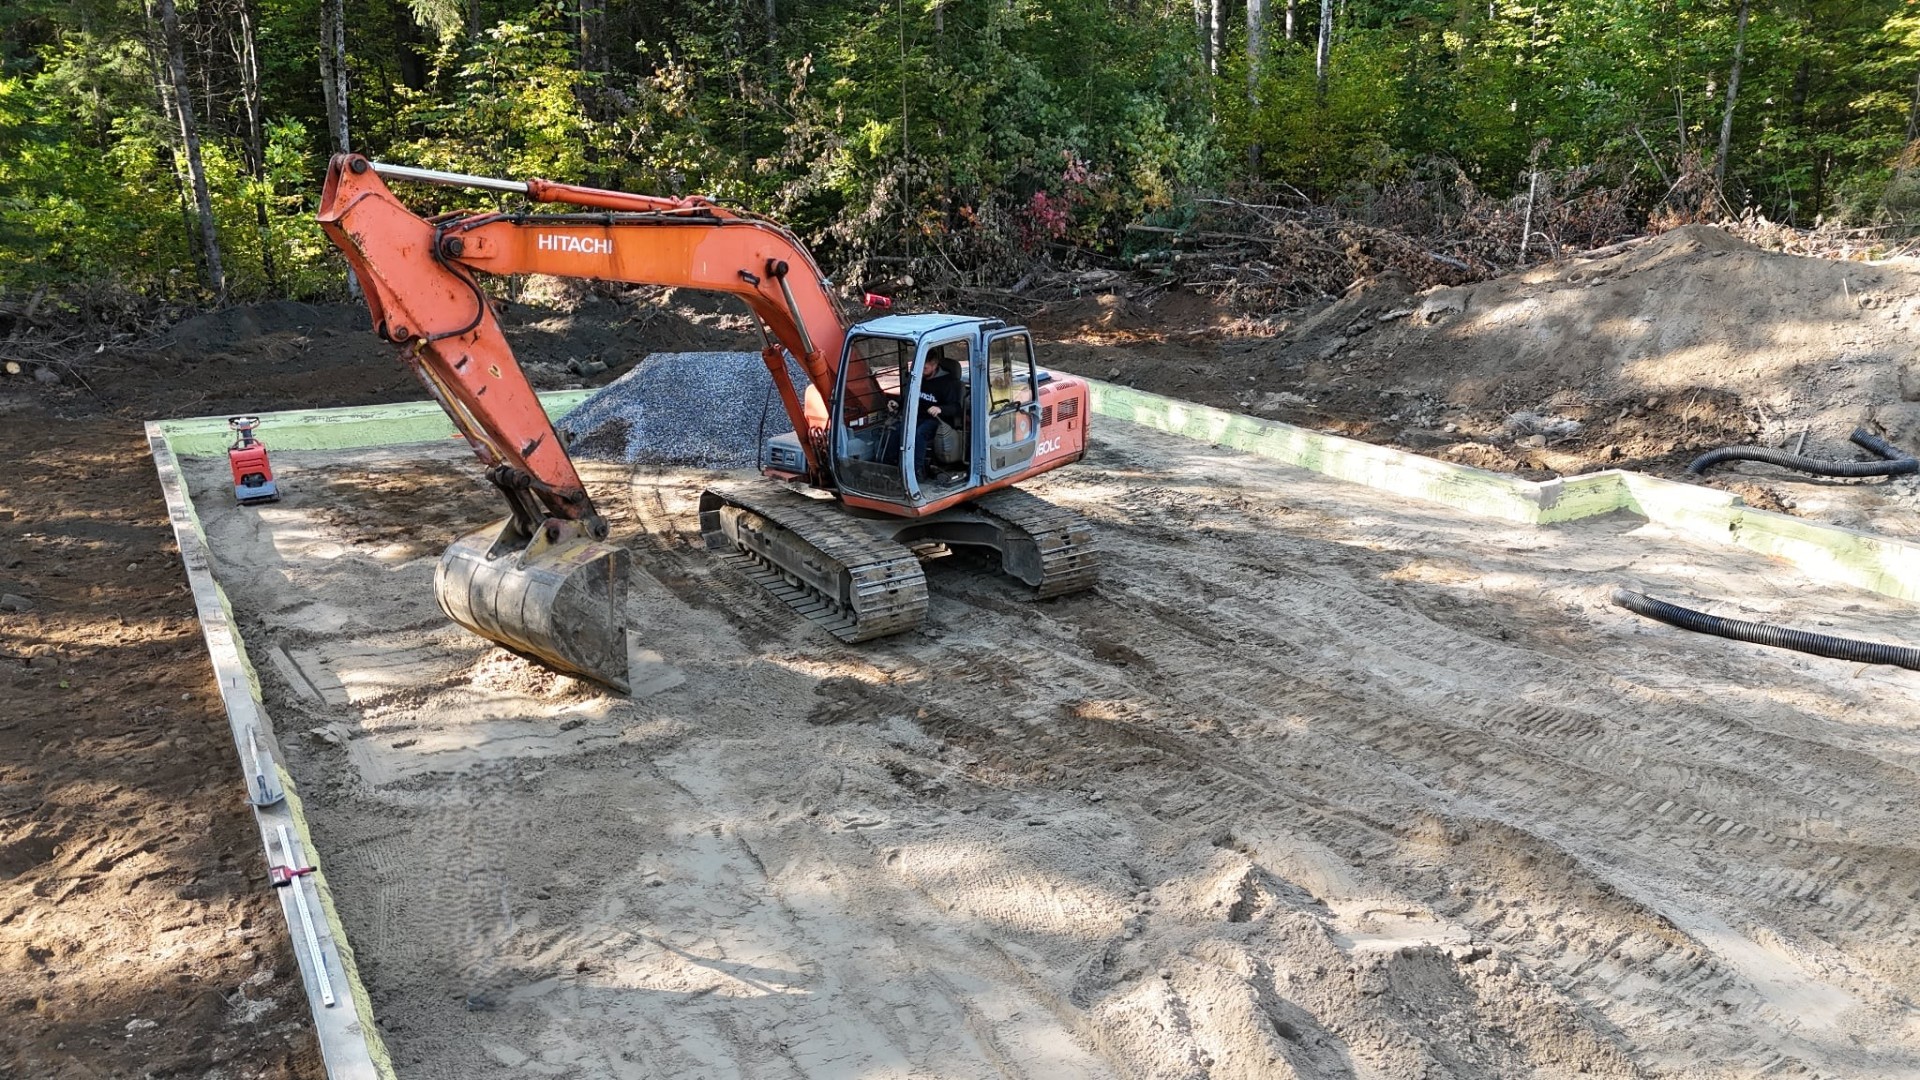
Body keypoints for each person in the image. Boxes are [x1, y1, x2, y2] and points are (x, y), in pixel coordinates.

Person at [913, 347, 966, 481]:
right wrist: (898, 404)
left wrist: (940, 409)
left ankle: (917, 471)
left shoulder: (949, 383)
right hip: (918, 416)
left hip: (938, 420)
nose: (922, 371)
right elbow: (910, 397)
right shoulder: (918, 378)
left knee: (920, 433)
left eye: (925, 368)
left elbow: (956, 408)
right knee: (897, 429)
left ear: (935, 365)